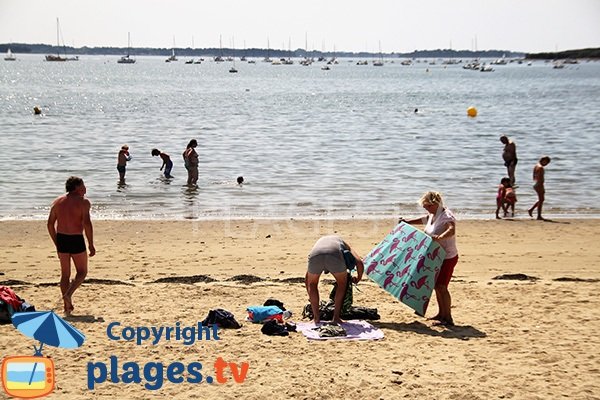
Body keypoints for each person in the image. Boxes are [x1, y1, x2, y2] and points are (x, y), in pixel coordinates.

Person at [400, 191, 458, 326]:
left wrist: (439, 238)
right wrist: (407, 222)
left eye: (427, 205)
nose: (425, 208)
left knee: (442, 286)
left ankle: (448, 318)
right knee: (437, 286)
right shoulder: (433, 214)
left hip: (447, 257)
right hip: (436, 256)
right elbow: (424, 219)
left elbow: (451, 230)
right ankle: (441, 314)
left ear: (435, 204)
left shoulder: (446, 215)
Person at [47, 176, 95, 316]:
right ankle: (68, 295)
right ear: (76, 188)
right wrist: (91, 244)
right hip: (76, 239)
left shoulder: (57, 202)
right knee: (82, 272)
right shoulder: (83, 202)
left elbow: (50, 224)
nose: (85, 188)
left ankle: (67, 307)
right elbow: (87, 224)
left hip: (62, 239)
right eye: (83, 186)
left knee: (65, 274)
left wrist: (57, 242)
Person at [305, 235, 364, 324]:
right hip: (334, 255)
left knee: (312, 284)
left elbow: (307, 279)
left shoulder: (321, 241)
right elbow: (359, 263)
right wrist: (358, 278)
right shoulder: (346, 245)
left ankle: (316, 318)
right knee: (342, 284)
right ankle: (336, 317)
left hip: (315, 254)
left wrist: (310, 295)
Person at [528, 156, 551, 220]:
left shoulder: (536, 166)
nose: (546, 164)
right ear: (543, 160)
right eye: (546, 162)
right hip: (539, 185)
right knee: (541, 200)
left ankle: (531, 210)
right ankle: (538, 216)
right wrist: (541, 185)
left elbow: (534, 176)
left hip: (536, 184)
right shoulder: (540, 168)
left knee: (541, 199)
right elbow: (540, 178)